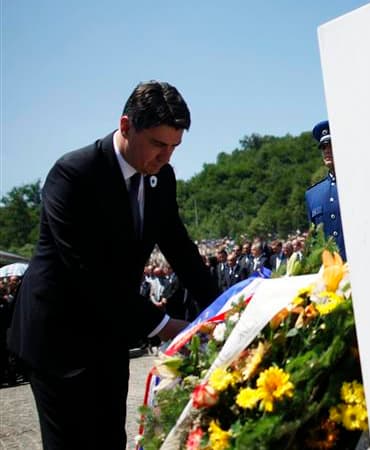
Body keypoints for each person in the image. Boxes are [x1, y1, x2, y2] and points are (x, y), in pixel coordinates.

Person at [7, 80, 219, 449]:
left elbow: (182, 252)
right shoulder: (73, 175)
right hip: (57, 339)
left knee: (109, 440)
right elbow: (90, 275)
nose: (165, 157)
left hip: (109, 335)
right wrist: (168, 326)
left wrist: (222, 309)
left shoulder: (161, 179)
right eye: (157, 144)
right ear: (125, 126)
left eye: (174, 147)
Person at [305, 120, 347, 260]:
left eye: (331, 144)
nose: (327, 150)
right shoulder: (312, 195)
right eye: (323, 147)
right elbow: (315, 241)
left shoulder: (356, 185)